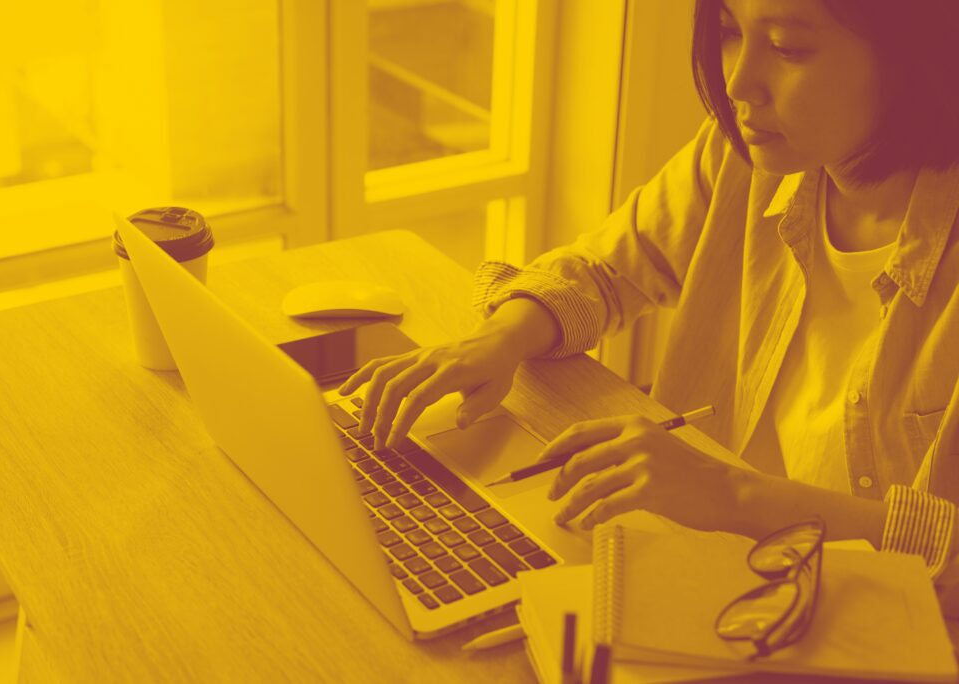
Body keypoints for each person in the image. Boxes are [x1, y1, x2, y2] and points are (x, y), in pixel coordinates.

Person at [340, 0, 959, 605]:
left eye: (788, 48)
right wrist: (502, 338)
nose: (738, 83)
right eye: (727, 31)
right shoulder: (744, 156)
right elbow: (607, 268)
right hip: (707, 577)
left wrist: (733, 495)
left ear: (914, 59)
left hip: (876, 622)